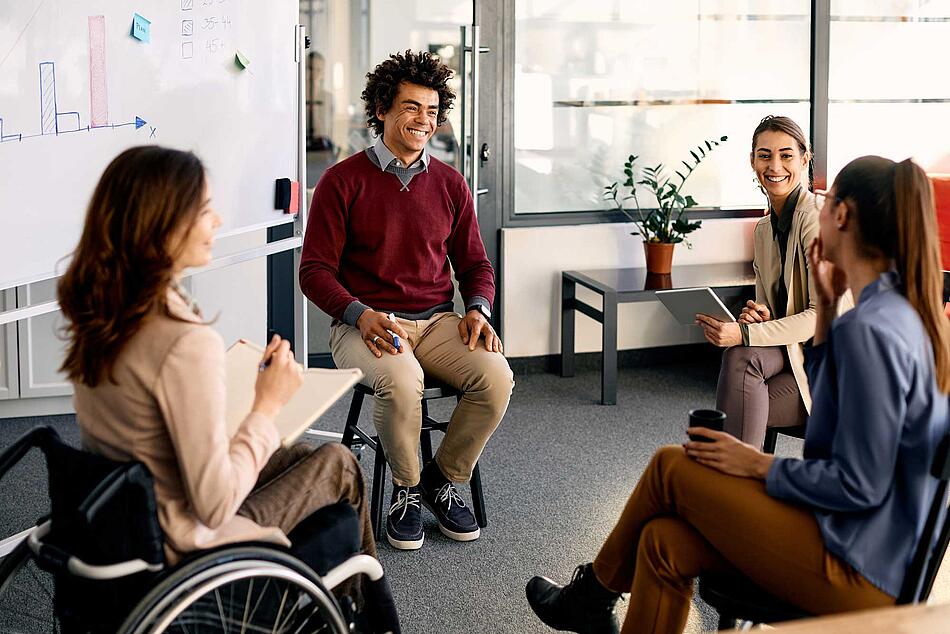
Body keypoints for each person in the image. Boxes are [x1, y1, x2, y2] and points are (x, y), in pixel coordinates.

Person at [526, 155, 950, 634]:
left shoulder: (870, 330)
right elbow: (834, 438)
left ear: (843, 216)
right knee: (664, 541)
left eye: (826, 201)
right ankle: (591, 599)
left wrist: (755, 464)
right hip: (874, 549)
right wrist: (829, 308)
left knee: (672, 466)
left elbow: (857, 484)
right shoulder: (901, 312)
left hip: (857, 565)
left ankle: (589, 596)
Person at [57, 146, 399, 633]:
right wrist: (266, 405)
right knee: (338, 464)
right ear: (161, 225)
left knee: (303, 458)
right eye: (202, 210)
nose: (217, 220)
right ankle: (373, 617)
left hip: (131, 515)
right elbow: (213, 504)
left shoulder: (103, 311)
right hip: (184, 536)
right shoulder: (182, 341)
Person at [299, 50, 514, 551]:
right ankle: (407, 490)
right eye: (412, 108)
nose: (424, 121)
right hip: (363, 324)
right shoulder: (341, 181)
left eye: (432, 112)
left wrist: (478, 308)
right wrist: (358, 313)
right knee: (402, 381)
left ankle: (442, 478)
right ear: (381, 109)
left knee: (497, 375)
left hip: (437, 321)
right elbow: (314, 272)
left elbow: (477, 266)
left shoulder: (450, 184)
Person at [696, 115, 849, 450]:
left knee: (741, 368)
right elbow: (769, 307)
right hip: (794, 352)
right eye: (764, 155)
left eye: (786, 155)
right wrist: (757, 316)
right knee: (740, 359)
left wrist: (745, 332)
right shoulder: (764, 230)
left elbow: (821, 315)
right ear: (752, 161)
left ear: (805, 159)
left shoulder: (818, 220)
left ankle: (732, 479)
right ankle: (737, 481)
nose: (774, 165)